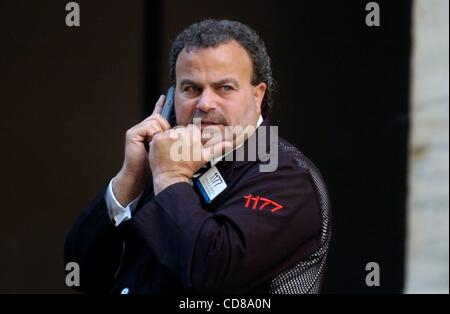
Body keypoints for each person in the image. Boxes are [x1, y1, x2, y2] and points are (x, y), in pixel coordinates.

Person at [64, 19, 331, 294]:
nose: (204, 104)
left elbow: (214, 273)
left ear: (257, 95)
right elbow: (81, 274)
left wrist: (171, 178)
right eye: (191, 88)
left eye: (224, 88)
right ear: (171, 98)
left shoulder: (285, 174)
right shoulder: (163, 158)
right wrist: (129, 179)